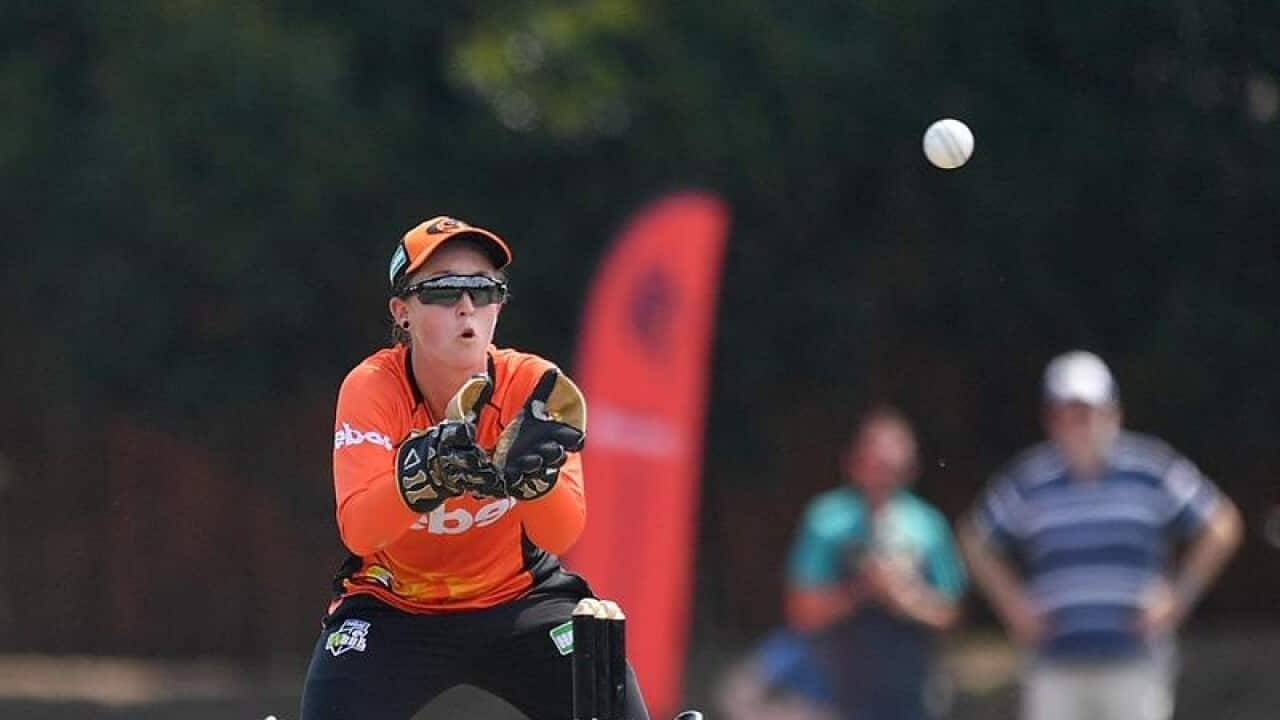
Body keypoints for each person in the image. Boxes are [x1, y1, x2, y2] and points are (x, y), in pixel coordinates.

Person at [300, 215, 650, 720]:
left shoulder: (534, 387)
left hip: (519, 601)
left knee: (612, 703)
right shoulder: (371, 388)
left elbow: (561, 532)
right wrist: (427, 474)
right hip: (396, 606)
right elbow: (359, 530)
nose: (466, 306)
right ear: (402, 312)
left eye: (484, 289)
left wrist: (535, 482)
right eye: (442, 290)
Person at [959, 350, 1243, 720]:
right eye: (1065, 413)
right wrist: (1013, 605)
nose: (1078, 425)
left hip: (1135, 661)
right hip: (1055, 664)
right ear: (1050, 419)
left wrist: (1178, 597)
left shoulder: (1151, 470)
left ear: (1113, 413)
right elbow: (975, 538)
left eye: (1087, 412)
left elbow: (1221, 523)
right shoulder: (1030, 480)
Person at [784, 407, 967, 720]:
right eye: (877, 466)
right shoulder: (827, 521)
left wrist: (902, 598)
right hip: (835, 696)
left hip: (910, 696)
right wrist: (861, 589)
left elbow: (951, 615)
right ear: (855, 464)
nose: (884, 479)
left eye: (894, 470)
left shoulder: (927, 526)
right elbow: (800, 612)